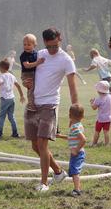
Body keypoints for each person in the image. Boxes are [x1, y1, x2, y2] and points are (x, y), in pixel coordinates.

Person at [23, 27, 78, 192]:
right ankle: (59, 172)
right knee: (35, 146)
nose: (52, 49)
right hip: (33, 104)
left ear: (60, 39)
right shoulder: (39, 54)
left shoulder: (66, 60)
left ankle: (44, 183)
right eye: (49, 46)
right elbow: (28, 73)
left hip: (50, 104)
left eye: (55, 45)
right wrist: (27, 82)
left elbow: (72, 87)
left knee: (42, 143)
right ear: (44, 43)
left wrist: (75, 114)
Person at [0, 59, 25, 139]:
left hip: (4, 99)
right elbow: (18, 86)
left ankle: (0, 134)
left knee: (2, 117)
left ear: (1, 68)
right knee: (11, 116)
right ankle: (15, 133)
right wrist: (21, 95)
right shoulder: (12, 76)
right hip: (11, 98)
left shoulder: (2, 76)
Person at [56, 104, 86, 197]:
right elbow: (71, 137)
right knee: (73, 171)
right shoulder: (78, 125)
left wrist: (76, 150)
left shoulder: (75, 127)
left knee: (74, 171)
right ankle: (77, 188)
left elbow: (83, 139)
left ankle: (77, 190)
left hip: (77, 153)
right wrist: (61, 136)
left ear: (69, 116)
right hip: (78, 153)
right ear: (82, 116)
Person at [20, 34, 45, 112]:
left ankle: (38, 102)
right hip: (27, 74)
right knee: (31, 89)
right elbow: (26, 65)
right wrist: (37, 63)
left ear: (35, 45)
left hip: (34, 73)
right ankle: (30, 105)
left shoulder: (36, 53)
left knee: (37, 88)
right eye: (25, 44)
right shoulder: (23, 55)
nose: (26, 46)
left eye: (29, 44)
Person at [90, 80, 111, 146]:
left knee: (97, 132)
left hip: (100, 119)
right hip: (108, 118)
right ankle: (107, 144)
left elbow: (94, 108)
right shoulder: (110, 97)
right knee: (106, 132)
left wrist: (92, 103)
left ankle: (94, 143)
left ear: (98, 90)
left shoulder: (98, 99)